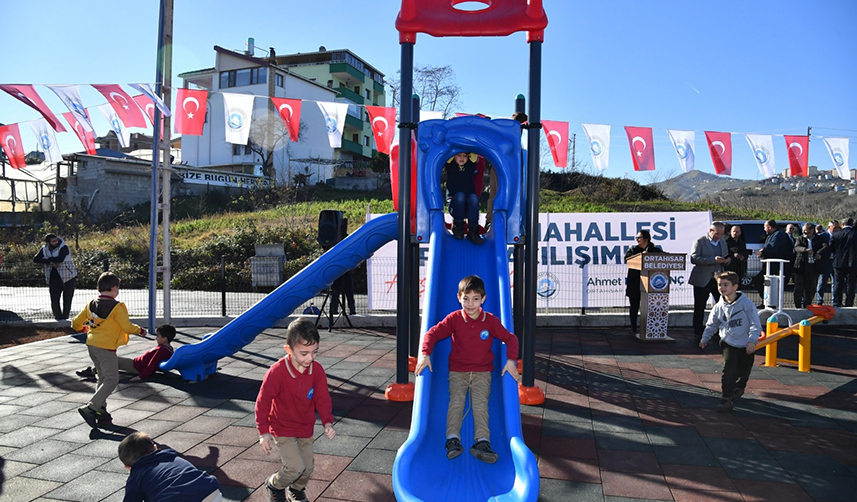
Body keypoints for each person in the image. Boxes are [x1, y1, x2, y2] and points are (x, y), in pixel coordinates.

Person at [415, 275, 520, 464]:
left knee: (480, 405)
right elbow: (433, 333)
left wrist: (511, 360)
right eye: (466, 299)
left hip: (482, 372)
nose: (470, 304)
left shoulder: (490, 321)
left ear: (483, 299)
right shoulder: (454, 319)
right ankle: (452, 439)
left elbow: (510, 338)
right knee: (456, 402)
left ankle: (482, 442)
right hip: (458, 371)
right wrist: (425, 354)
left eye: (475, 299)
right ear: (458, 298)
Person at [256, 318, 335, 502]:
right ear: (289, 350)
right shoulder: (276, 372)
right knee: (295, 466)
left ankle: (296, 489)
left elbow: (322, 398)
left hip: (304, 426)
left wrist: (327, 421)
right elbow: (263, 401)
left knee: (307, 468)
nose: (310, 358)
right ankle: (274, 484)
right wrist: (264, 432)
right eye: (304, 353)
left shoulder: (316, 370)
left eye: (315, 352)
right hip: (282, 426)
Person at [72, 272, 147, 429]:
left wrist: (81, 328)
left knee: (102, 376)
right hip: (106, 348)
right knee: (112, 379)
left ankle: (101, 408)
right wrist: (140, 330)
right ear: (114, 288)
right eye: (117, 288)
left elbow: (75, 322)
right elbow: (126, 326)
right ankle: (91, 407)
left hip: (92, 345)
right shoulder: (117, 307)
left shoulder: (91, 304)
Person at [699, 271, 761, 413]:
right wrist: (705, 338)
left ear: (735, 287)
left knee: (744, 370)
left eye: (725, 285)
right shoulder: (719, 307)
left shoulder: (746, 304)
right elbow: (712, 324)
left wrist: (752, 340)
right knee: (728, 370)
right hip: (728, 342)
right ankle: (726, 398)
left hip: (745, 342)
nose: (722, 288)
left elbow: (755, 323)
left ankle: (740, 386)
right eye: (719, 285)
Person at [119, 431, 222, 502]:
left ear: (128, 467)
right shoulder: (172, 458)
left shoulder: (137, 475)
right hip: (210, 490)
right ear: (155, 447)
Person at [76, 324, 176, 382]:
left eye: (158, 336)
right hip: (137, 363)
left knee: (113, 360)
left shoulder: (161, 350)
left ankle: (92, 371)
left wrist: (140, 377)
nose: (156, 338)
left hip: (137, 367)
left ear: (164, 338)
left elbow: (152, 365)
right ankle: (96, 369)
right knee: (114, 361)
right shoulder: (168, 348)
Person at [689, 222, 730, 343]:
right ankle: (698, 332)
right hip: (702, 279)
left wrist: (726, 260)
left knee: (722, 306)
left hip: (718, 280)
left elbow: (727, 256)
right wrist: (713, 260)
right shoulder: (700, 241)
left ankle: (719, 331)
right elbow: (694, 258)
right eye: (717, 234)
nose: (719, 236)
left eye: (721, 234)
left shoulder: (723, 242)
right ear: (710, 231)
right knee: (699, 307)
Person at [623, 230, 662, 334]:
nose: (637, 239)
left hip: (651, 283)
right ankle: (633, 327)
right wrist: (641, 255)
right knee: (634, 306)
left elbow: (664, 258)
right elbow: (627, 259)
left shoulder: (654, 250)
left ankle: (651, 328)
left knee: (650, 307)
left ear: (646, 239)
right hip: (635, 283)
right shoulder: (633, 250)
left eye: (639, 237)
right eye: (636, 237)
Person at [32, 233, 77, 320]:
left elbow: (60, 259)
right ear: (48, 243)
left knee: (67, 299)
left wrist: (47, 260)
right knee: (54, 300)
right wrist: (50, 262)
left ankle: (65, 317)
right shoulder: (44, 249)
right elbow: (36, 259)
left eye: (56, 240)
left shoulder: (64, 247)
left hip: (68, 276)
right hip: (53, 278)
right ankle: (58, 317)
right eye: (53, 241)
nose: (56, 242)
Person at [445, 152, 485, 244]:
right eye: (459, 155)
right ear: (454, 155)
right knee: (460, 196)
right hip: (455, 205)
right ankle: (458, 227)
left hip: (468, 207)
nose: (462, 158)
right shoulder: (450, 164)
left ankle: (473, 231)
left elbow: (475, 149)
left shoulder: (471, 164)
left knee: (474, 198)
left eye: (465, 156)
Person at [751, 220, 794, 306]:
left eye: (765, 227)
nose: (764, 229)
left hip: (777, 265)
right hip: (770, 265)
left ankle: (770, 302)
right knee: (760, 281)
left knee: (769, 283)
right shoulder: (772, 235)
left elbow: (774, 248)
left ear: (769, 227)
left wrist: (763, 253)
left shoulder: (779, 235)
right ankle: (766, 301)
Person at [793, 223, 827, 308]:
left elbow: (826, 246)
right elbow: (797, 247)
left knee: (811, 287)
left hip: (813, 267)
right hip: (801, 266)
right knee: (799, 287)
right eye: (803, 230)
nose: (804, 231)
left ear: (812, 230)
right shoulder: (800, 239)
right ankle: (797, 305)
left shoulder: (820, 239)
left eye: (806, 230)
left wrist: (819, 253)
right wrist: (805, 250)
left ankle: (807, 304)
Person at [830, 217, 857, 307]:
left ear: (842, 224)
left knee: (838, 283)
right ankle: (849, 303)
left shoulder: (836, 234)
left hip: (838, 262)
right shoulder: (855, 234)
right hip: (853, 262)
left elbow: (831, 248)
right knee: (851, 284)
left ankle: (837, 302)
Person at [816, 221, 838, 304]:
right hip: (825, 261)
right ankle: (819, 300)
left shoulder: (838, 236)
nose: (837, 229)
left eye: (838, 228)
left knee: (835, 282)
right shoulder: (822, 236)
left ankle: (834, 301)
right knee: (822, 281)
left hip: (835, 261)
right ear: (829, 227)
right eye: (835, 228)